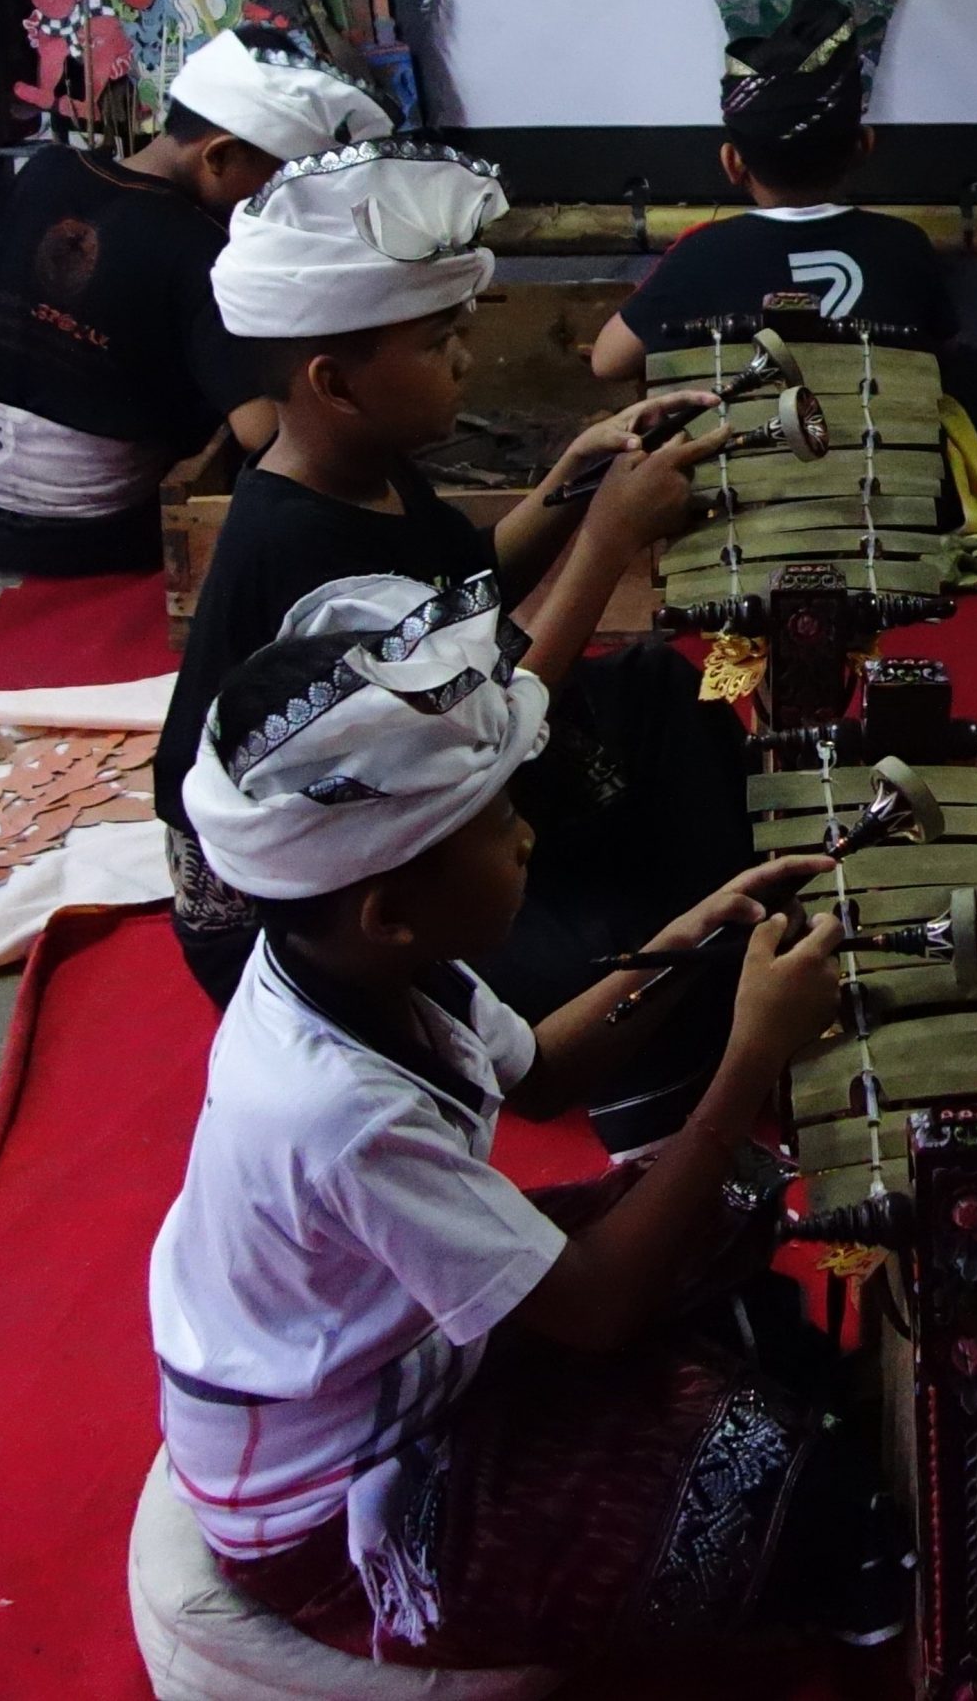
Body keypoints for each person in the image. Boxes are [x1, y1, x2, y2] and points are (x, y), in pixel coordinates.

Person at [151, 577, 910, 1670]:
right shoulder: (331, 1105)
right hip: (333, 1506)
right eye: (500, 822)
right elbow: (596, 1308)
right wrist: (751, 1055)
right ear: (389, 907)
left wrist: (694, 933)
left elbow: (543, 1071)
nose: (524, 839)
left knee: (727, 1207)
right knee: (779, 1476)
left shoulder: (373, 963)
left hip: (405, 1353)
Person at [154, 143, 753, 1150]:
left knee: (650, 686)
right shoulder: (297, 544)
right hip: (322, 905)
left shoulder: (363, 466)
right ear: (334, 381)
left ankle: (719, 924)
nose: (466, 361)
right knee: (592, 933)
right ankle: (671, 1058)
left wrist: (572, 475)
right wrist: (607, 537)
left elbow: (462, 587)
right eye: (440, 342)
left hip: (410, 789)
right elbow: (477, 721)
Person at [0, 26, 394, 576]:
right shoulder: (200, 249)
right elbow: (262, 433)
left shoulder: (46, 170)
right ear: (220, 155)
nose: (280, 206)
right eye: (277, 185)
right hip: (77, 531)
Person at [586, 0, 977, 447]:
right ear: (863, 149)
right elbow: (941, 352)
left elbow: (607, 362)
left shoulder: (699, 254)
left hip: (738, 494)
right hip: (884, 488)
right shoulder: (905, 246)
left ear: (732, 163)